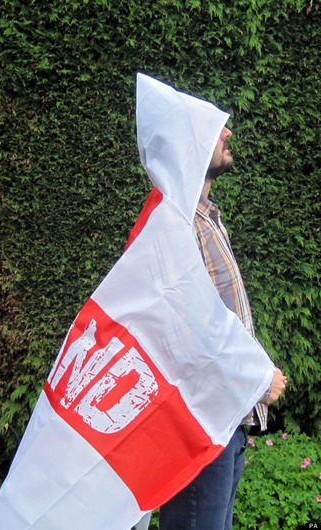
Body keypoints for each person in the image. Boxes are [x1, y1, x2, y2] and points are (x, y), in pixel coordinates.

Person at [158, 126, 288, 530]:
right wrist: (256, 378)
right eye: (213, 129)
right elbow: (190, 334)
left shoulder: (207, 219)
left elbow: (221, 319)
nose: (227, 132)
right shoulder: (178, 224)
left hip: (224, 421)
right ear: (188, 145)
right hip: (201, 424)